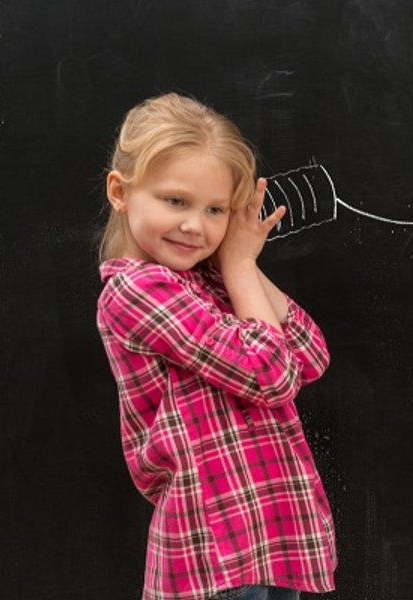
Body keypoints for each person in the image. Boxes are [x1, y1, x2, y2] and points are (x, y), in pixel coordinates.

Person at [95, 93, 336, 600]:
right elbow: (269, 373)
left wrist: (235, 265)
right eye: (175, 201)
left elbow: (309, 356)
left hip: (271, 531)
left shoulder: (211, 282)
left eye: (216, 210)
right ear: (120, 191)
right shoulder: (136, 290)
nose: (195, 226)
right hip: (213, 547)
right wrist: (242, 265)